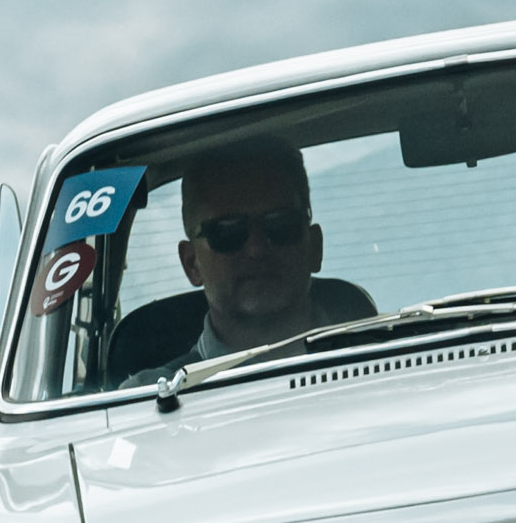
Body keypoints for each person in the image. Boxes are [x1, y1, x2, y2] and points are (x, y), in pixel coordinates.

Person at [105, 138, 378, 384]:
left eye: (280, 225)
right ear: (191, 263)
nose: (257, 249)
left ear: (315, 246)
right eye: (228, 232)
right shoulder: (142, 405)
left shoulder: (390, 365)